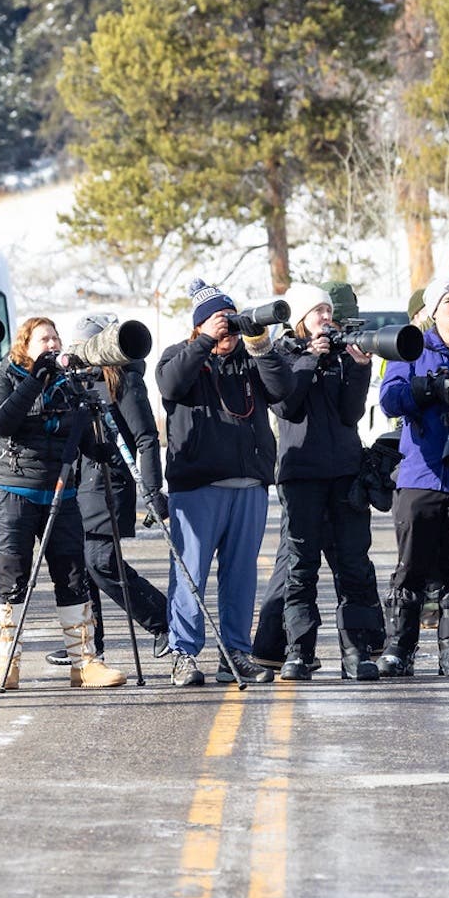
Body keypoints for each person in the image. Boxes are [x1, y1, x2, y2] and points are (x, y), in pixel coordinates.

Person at [156, 279, 295, 687]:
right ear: (199, 324)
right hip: (197, 485)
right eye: (220, 322)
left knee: (241, 575)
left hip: (249, 484)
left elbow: (282, 391)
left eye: (230, 322)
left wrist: (260, 344)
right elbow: (170, 385)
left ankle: (235, 652)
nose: (228, 331)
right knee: (189, 574)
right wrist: (203, 341)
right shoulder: (180, 355)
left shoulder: (251, 358)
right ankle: (183, 654)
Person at [249, 283, 384, 681]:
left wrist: (358, 369)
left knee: (353, 565)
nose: (326, 318)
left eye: (328, 310)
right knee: (301, 568)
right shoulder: (281, 355)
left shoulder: (342, 355)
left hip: (344, 473)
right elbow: (286, 404)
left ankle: (356, 650)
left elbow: (350, 414)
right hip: (301, 476)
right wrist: (309, 359)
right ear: (300, 320)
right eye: (317, 312)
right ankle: (298, 651)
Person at [0, 317, 127, 690]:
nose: (52, 344)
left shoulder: (67, 384)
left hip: (61, 491)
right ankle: (6, 665)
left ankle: (84, 663)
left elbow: (90, 447)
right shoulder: (5, 377)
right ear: (25, 345)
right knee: (12, 579)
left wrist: (96, 421)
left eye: (55, 338)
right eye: (43, 338)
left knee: (72, 576)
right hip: (13, 490)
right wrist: (36, 379)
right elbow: (1, 423)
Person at [375, 277, 449, 677]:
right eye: (448, 301)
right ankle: (400, 647)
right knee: (412, 565)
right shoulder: (413, 347)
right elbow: (390, 398)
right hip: (421, 474)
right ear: (432, 310)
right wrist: (427, 388)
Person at [66, 313, 173, 658]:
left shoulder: (123, 381)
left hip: (109, 485)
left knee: (102, 564)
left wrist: (153, 491)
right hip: (79, 486)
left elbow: (146, 439)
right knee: (81, 566)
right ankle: (88, 646)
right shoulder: (77, 382)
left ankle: (163, 620)